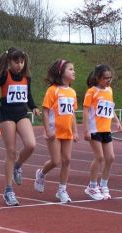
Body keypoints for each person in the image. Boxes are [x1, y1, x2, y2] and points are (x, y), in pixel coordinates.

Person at [0, 47, 40, 206]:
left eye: (22, 62)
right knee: (11, 151)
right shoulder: (3, 76)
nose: (19, 65)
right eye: (16, 62)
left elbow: (28, 95)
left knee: (31, 145)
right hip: (6, 115)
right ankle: (8, 191)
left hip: (22, 114)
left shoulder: (26, 77)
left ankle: (17, 166)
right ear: (9, 62)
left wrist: (33, 106)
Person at [34, 59, 79, 203]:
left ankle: (62, 190)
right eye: (70, 69)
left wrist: (75, 131)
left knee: (67, 160)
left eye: (74, 69)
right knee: (56, 161)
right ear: (61, 72)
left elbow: (72, 114)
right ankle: (41, 174)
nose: (73, 72)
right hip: (54, 131)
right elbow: (45, 111)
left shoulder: (72, 92)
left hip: (67, 132)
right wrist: (47, 129)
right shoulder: (53, 90)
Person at [83, 64, 122, 200]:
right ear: (98, 78)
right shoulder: (91, 92)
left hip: (106, 129)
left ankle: (103, 185)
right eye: (106, 78)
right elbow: (85, 111)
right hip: (95, 129)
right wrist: (86, 129)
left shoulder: (109, 90)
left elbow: (110, 108)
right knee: (99, 157)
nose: (109, 81)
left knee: (110, 158)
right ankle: (92, 186)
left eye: (110, 78)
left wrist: (116, 121)